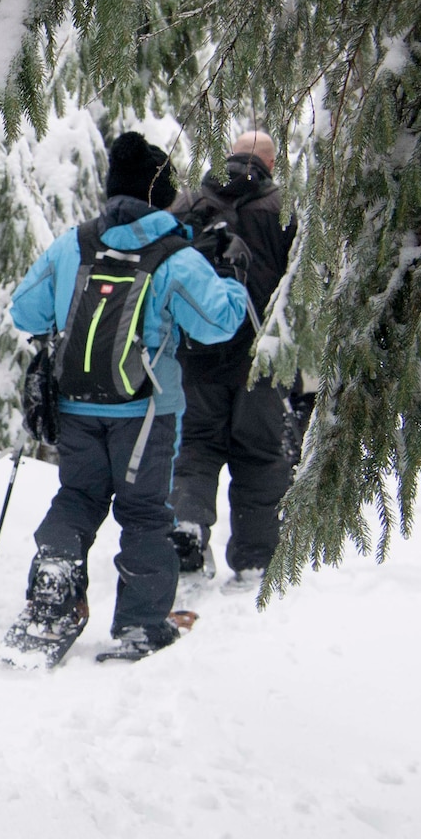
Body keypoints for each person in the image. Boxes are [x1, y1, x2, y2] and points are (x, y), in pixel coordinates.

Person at [4, 131, 248, 664]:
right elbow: (218, 324)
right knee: (143, 513)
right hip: (144, 411)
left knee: (78, 498)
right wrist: (230, 275)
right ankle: (140, 625)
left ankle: (52, 593)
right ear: (163, 197)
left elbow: (24, 311)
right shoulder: (174, 255)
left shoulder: (75, 243)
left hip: (75, 405)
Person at [167, 131, 299, 587]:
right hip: (260, 357)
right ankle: (256, 558)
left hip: (196, 354)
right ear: (270, 164)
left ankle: (187, 530)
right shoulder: (284, 208)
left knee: (197, 447)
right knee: (261, 455)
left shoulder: (187, 205)